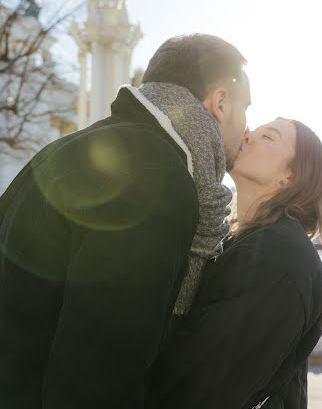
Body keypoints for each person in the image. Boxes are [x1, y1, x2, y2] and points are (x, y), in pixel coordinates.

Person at [0, 34, 251, 409]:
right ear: (220, 102)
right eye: (247, 108)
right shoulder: (154, 177)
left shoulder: (68, 149)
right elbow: (97, 374)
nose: (248, 127)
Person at [147, 118, 322, 409]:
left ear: (289, 176)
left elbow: (204, 390)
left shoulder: (278, 257)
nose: (248, 134)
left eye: (269, 137)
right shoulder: (248, 242)